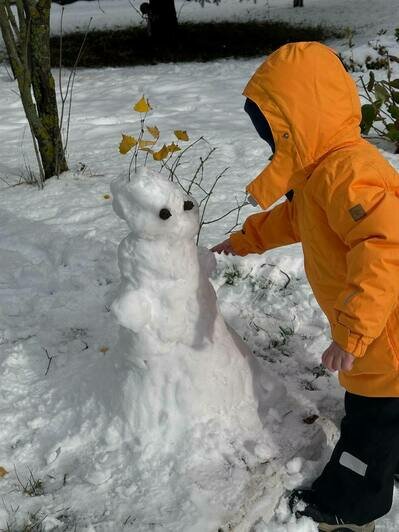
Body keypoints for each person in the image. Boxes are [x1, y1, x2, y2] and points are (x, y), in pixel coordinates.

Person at [211, 41, 399, 532]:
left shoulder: (350, 173)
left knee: (370, 426)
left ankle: (348, 508)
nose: (272, 147)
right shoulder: (319, 177)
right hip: (379, 335)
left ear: (300, 126)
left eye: (276, 134)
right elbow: (295, 219)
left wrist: (354, 333)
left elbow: (385, 246)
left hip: (385, 340)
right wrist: (243, 241)